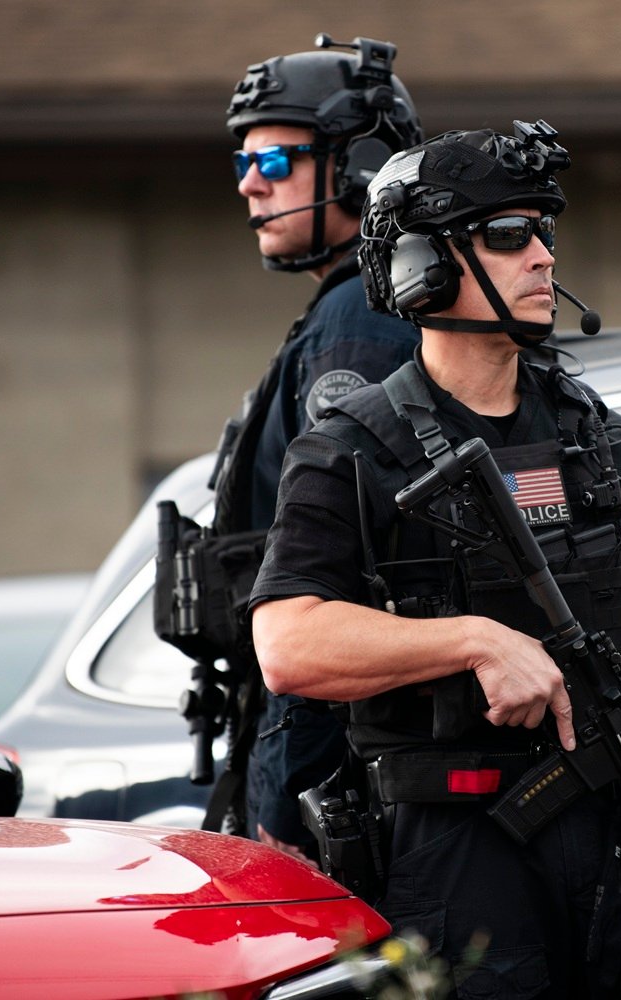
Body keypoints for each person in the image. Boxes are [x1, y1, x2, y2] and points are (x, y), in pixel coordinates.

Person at [249, 121, 621, 998]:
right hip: (461, 861)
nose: (541, 258)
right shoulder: (349, 450)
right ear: (425, 264)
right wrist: (474, 642)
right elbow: (287, 645)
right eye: (506, 235)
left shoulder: (597, 436)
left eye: (544, 234)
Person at [211, 34, 424, 860]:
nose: (248, 187)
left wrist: (283, 793)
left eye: (272, 163)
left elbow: (336, 576)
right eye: (241, 165)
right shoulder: (353, 313)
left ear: (358, 166)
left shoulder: (357, 326)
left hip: (325, 737)